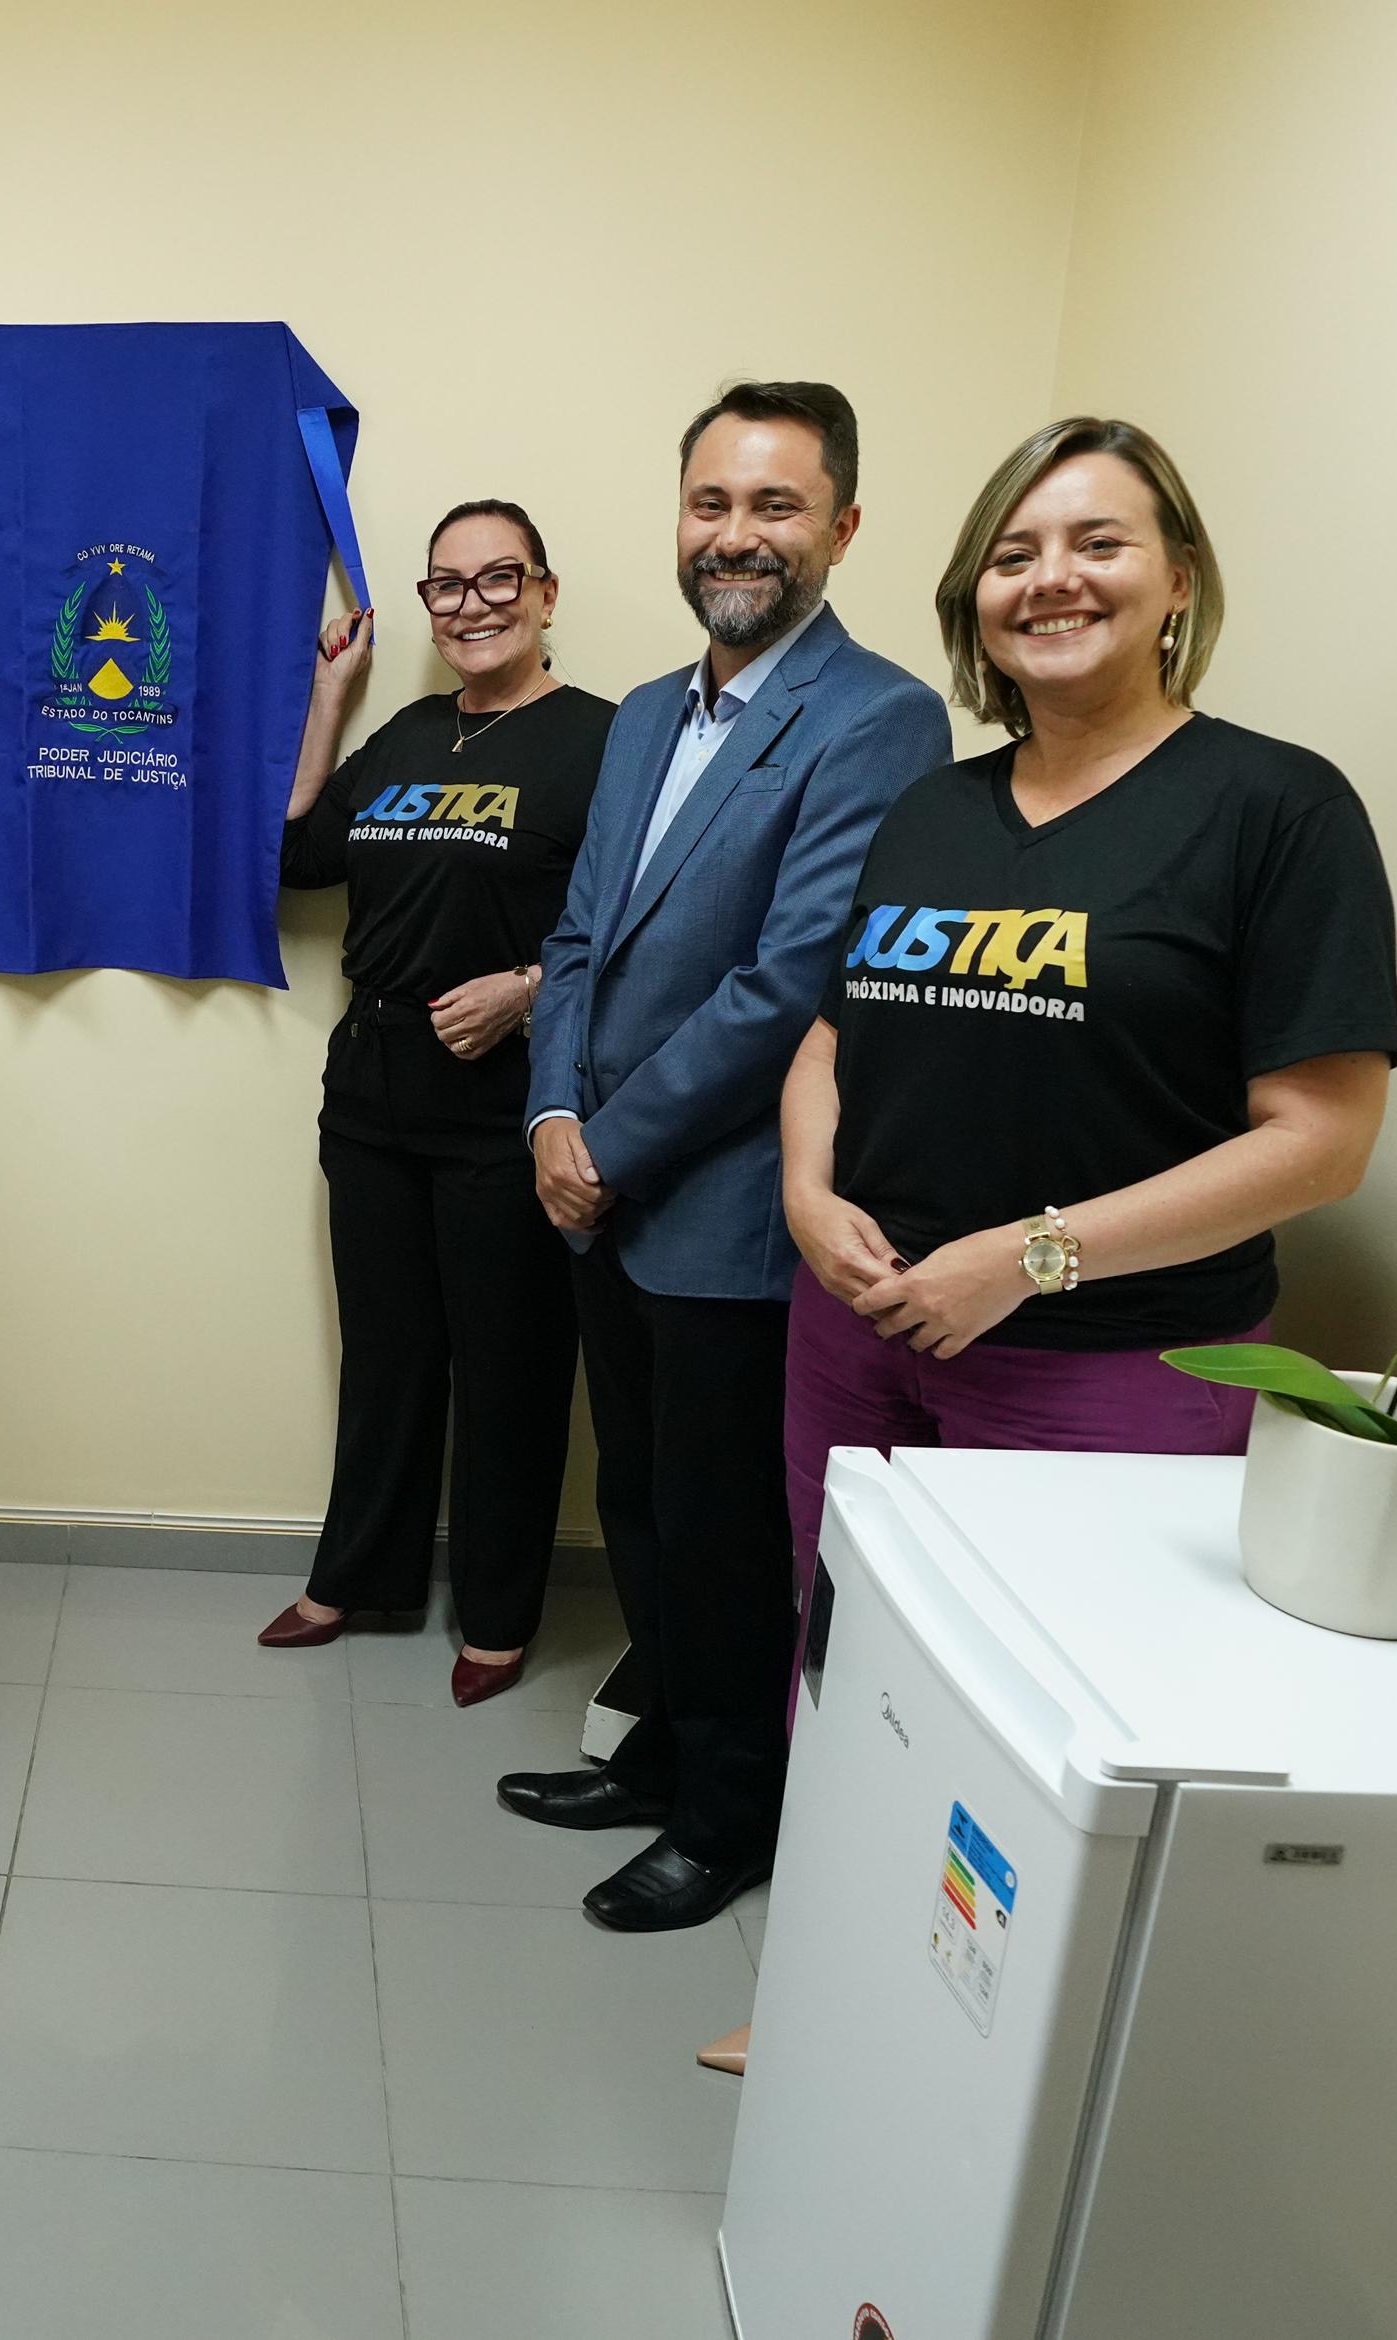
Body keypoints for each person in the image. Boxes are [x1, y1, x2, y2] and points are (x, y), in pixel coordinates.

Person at [497, 382, 954, 1933]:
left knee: (725, 1532)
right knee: (635, 1498)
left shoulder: (879, 717)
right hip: (602, 1194)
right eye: (712, 503)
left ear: (842, 526)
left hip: (728, 1211)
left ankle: (731, 1813)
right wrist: (552, 1122)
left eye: (774, 505)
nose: (735, 535)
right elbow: (576, 939)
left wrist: (608, 1148)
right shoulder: (642, 714)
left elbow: (791, 982)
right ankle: (666, 1755)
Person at [780, 415, 1397, 1550]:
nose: (1050, 579)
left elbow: (1322, 1142)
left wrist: (1027, 1260)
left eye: (1097, 544)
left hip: (1109, 1361)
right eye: (1012, 556)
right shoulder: (930, 810)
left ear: (1180, 580)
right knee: (833, 1629)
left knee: (1042, 1653)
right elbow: (832, 1038)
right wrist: (807, 1199)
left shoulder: (1277, 808)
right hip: (855, 1332)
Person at [256, 500, 609, 1707]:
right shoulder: (409, 733)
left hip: (508, 1103)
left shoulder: (602, 740)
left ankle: (497, 1615)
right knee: (387, 1356)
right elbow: (296, 857)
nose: (472, 605)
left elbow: (644, 924)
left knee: (508, 1370)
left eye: (499, 578)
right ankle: (357, 1578)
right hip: (371, 1090)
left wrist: (524, 990)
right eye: (446, 585)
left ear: (544, 594)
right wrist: (329, 703)